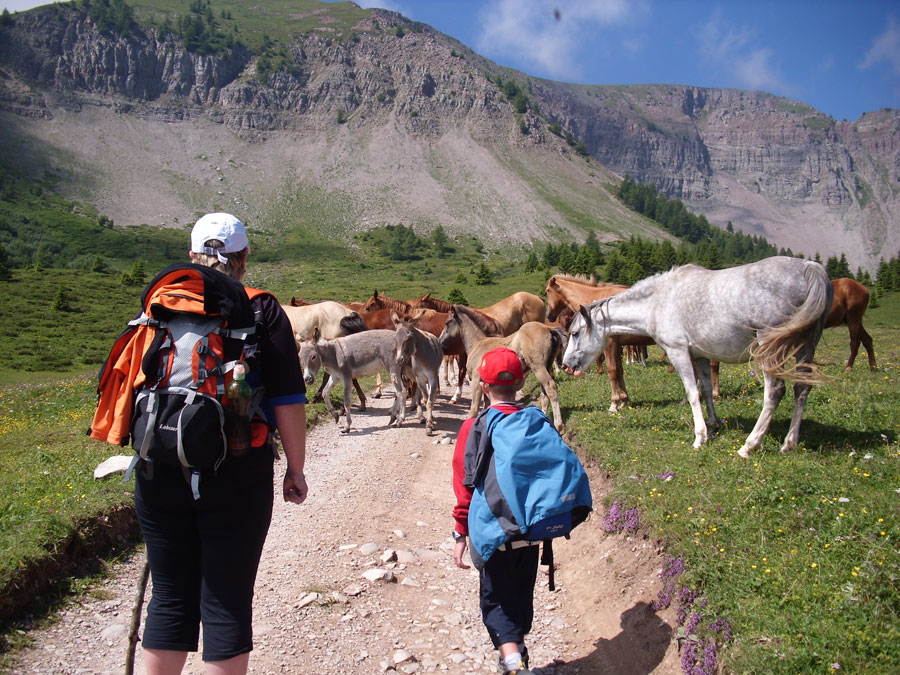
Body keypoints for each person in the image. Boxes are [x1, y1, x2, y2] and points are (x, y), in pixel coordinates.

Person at [135, 212, 308, 675]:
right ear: (244, 257)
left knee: (169, 598)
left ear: (191, 254)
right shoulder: (260, 308)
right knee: (226, 602)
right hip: (236, 470)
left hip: (159, 467)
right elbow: (289, 400)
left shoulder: (160, 300)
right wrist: (295, 469)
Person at [452, 347, 536, 675]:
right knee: (520, 594)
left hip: (493, 533)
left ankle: (513, 662)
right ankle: (518, 650)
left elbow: (464, 486)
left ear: (483, 386)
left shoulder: (473, 428)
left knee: (497, 600)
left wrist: (461, 532)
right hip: (530, 531)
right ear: (522, 382)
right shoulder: (534, 421)